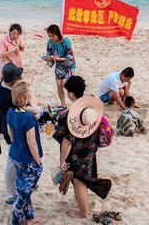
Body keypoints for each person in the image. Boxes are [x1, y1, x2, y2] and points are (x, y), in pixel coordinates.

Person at [53, 79, 111, 219]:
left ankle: (83, 213)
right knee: (85, 179)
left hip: (75, 154)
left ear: (72, 94)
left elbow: (66, 142)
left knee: (79, 181)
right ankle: (85, 202)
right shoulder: (92, 110)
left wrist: (62, 161)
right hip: (90, 151)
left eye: (68, 92)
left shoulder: (67, 116)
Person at [0, 63, 41, 205]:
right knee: (12, 161)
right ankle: (10, 194)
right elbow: (19, 111)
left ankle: (28, 182)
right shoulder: (5, 95)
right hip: (14, 129)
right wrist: (33, 110)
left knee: (22, 157)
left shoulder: (10, 87)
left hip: (15, 125)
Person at [6, 80, 44, 225]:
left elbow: (10, 135)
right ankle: (15, 221)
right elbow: (32, 143)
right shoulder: (29, 119)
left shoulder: (10, 112)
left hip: (15, 154)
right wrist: (38, 162)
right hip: (28, 159)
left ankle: (29, 218)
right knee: (23, 193)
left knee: (22, 189)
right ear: (26, 96)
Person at [41, 24, 75, 107]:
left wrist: (58, 59)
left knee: (65, 84)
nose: (51, 38)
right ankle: (63, 104)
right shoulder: (49, 42)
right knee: (59, 85)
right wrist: (49, 59)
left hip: (68, 66)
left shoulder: (65, 41)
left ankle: (75, 101)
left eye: (53, 36)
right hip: (59, 66)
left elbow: (70, 57)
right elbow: (49, 55)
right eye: (49, 36)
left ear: (57, 33)